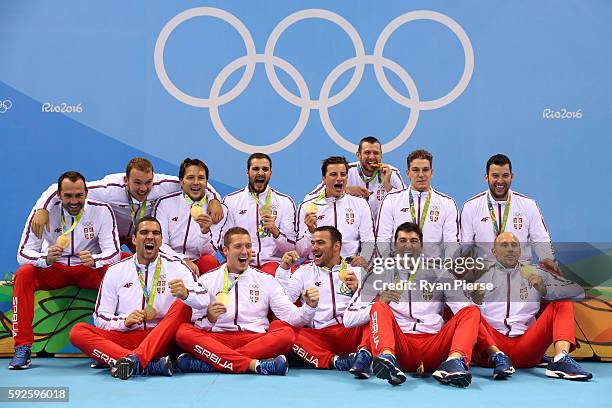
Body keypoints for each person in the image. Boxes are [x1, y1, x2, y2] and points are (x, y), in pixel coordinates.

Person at [69, 216, 209, 379]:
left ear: (161, 240)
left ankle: (130, 360)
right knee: (78, 332)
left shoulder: (177, 266)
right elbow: (100, 317)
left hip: (164, 340)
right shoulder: (116, 271)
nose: (150, 236)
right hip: (129, 337)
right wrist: (124, 321)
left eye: (155, 233)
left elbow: (204, 300)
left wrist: (187, 294)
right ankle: (147, 365)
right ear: (134, 239)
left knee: (183, 305)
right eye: (144, 232)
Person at [344, 222, 480, 387]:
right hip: (399, 347)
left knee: (471, 311)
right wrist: (381, 301)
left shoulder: (440, 272)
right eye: (402, 240)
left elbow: (463, 310)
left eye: (414, 241)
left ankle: (454, 363)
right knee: (379, 307)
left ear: (422, 246)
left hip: (434, 345)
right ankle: (387, 359)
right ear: (395, 245)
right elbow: (348, 319)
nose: (408, 245)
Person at [9, 171, 121, 369]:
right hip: (54, 269)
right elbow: (23, 254)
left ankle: (106, 346)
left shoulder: (101, 210)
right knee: (24, 274)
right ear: (58, 195)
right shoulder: (43, 214)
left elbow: (114, 253)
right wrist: (45, 259)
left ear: (86, 193)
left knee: (113, 272)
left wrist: (95, 260)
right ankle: (23, 347)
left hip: (87, 270)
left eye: (79, 195)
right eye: (68, 196)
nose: (74, 201)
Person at [173, 227, 320, 376]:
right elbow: (197, 322)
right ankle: (251, 364)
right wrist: (210, 318)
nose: (245, 252)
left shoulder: (266, 280)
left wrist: (309, 307)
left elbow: (291, 317)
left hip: (255, 340)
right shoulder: (207, 280)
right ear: (225, 251)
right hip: (218, 339)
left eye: (248, 246)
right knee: (183, 332)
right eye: (238, 246)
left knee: (286, 334)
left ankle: (214, 362)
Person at [28, 157, 224, 252]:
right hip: (111, 233)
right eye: (137, 183)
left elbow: (194, 182)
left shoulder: (162, 185)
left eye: (148, 182)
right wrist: (42, 209)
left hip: (139, 234)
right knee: (102, 265)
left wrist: (214, 199)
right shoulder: (109, 188)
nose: (143, 188)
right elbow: (62, 187)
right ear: (125, 180)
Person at [471, 232, 592, 381]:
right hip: (490, 350)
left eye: (514, 245)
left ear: (520, 251)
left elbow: (578, 291)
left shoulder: (535, 272)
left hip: (527, 347)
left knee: (562, 302)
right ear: (494, 252)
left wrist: (545, 289)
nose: (510, 249)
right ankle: (494, 356)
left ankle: (561, 360)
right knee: (468, 311)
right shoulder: (479, 276)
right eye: (504, 245)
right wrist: (475, 300)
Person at [276, 226, 366, 371]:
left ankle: (364, 355)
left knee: (374, 316)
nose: (314, 248)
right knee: (278, 328)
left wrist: (358, 291)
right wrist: (284, 270)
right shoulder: (304, 271)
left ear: (336, 246)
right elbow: (282, 303)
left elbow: (370, 308)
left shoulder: (355, 270)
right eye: (313, 243)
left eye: (320, 243)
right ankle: (334, 361)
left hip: (349, 331)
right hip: (318, 337)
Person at [460, 154, 557, 271]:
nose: (500, 181)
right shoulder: (471, 207)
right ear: (486, 177)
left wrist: (547, 259)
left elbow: (541, 240)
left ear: (512, 176)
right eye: (495, 176)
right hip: (486, 276)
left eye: (505, 176)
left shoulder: (528, 205)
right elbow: (464, 248)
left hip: (522, 275)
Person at [221, 153, 296, 275]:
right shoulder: (231, 201)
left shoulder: (285, 202)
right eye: (255, 169)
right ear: (247, 172)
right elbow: (223, 241)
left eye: (265, 169)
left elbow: (292, 248)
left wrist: (275, 232)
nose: (260, 173)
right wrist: (239, 255)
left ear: (270, 173)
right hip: (240, 263)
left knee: (273, 273)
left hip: (273, 264)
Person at [376, 149, 458, 257]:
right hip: (399, 268)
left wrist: (445, 268)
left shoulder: (447, 204)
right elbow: (382, 239)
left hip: (431, 269)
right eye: (415, 170)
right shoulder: (391, 200)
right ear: (408, 173)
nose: (421, 175)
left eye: (425, 170)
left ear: (431, 173)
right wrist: (390, 265)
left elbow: (451, 243)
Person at [154, 158, 227, 275]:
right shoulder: (165, 203)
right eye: (190, 177)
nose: (196, 182)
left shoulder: (218, 209)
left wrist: (205, 232)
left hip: (198, 261)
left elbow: (210, 251)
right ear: (181, 182)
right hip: (169, 259)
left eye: (201, 178)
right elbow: (160, 243)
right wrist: (182, 260)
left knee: (209, 261)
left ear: (207, 182)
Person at [296, 156, 375, 263]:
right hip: (316, 267)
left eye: (343, 174)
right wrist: (310, 231)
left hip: (349, 266)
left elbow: (369, 241)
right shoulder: (308, 205)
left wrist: (364, 258)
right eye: (334, 174)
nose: (339, 178)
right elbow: (301, 252)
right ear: (323, 178)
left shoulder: (360, 204)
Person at [330, 136, 405, 218]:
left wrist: (388, 185)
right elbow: (318, 195)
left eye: (376, 153)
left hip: (383, 227)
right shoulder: (346, 171)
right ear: (358, 155)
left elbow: (406, 203)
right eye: (367, 152)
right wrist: (345, 190)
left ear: (381, 155)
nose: (372, 157)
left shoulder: (391, 173)